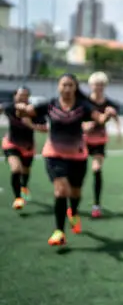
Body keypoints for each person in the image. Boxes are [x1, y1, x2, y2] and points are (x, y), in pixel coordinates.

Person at [15, 73, 116, 246]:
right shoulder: (49, 105)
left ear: (75, 88)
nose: (67, 88)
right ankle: (59, 231)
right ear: (58, 87)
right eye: (64, 85)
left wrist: (107, 115)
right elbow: (26, 112)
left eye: (71, 85)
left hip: (77, 156)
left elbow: (99, 119)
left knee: (75, 193)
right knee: (61, 191)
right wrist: (20, 108)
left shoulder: (82, 106)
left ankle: (74, 212)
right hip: (54, 155)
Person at [1, 86, 47, 209]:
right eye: (20, 95)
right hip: (11, 143)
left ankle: (24, 187)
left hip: (28, 146)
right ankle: (18, 198)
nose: (23, 98)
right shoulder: (10, 107)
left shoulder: (34, 111)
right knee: (16, 169)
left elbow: (45, 128)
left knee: (26, 170)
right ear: (15, 96)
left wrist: (31, 125)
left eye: (26, 96)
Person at [83, 71, 122, 218]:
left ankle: (96, 205)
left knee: (97, 169)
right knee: (78, 173)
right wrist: (84, 125)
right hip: (81, 141)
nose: (98, 87)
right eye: (95, 84)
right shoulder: (84, 102)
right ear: (90, 85)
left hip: (99, 141)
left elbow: (114, 116)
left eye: (101, 84)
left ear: (105, 86)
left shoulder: (109, 104)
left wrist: (119, 132)